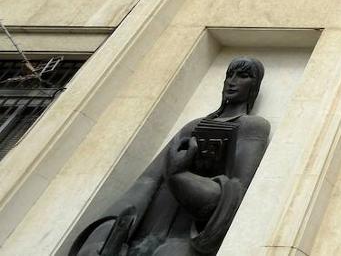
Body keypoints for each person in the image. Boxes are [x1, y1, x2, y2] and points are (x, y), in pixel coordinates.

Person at [72, 57, 270, 256]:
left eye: (243, 76)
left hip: (183, 240)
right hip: (146, 234)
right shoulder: (192, 126)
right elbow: (146, 182)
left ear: (254, 85)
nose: (232, 81)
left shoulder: (253, 127)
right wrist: (103, 234)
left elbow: (233, 194)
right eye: (229, 75)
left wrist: (179, 175)